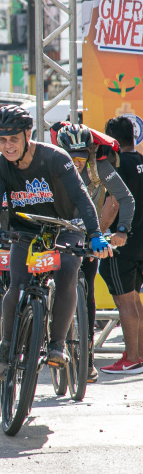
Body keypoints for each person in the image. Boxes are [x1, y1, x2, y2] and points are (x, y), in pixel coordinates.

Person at [0, 106, 111, 379]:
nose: (7, 146)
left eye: (13, 138)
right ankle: (6, 346)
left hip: (65, 228)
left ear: (28, 134)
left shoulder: (55, 158)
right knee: (16, 286)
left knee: (66, 273)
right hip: (26, 233)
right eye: (1, 140)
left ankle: (57, 345)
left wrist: (95, 233)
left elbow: (82, 198)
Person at [56, 123, 134, 382]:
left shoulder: (98, 166)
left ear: (90, 151)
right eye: (71, 157)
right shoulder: (51, 163)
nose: (76, 163)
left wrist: (121, 229)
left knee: (86, 288)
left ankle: (86, 359)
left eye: (81, 157)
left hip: (89, 232)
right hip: (58, 228)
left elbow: (126, 198)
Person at [98, 116, 143, 375]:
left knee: (125, 303)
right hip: (140, 244)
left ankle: (133, 358)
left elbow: (113, 203)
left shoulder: (118, 165)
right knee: (135, 301)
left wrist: (97, 232)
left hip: (121, 243)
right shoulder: (140, 161)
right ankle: (137, 355)